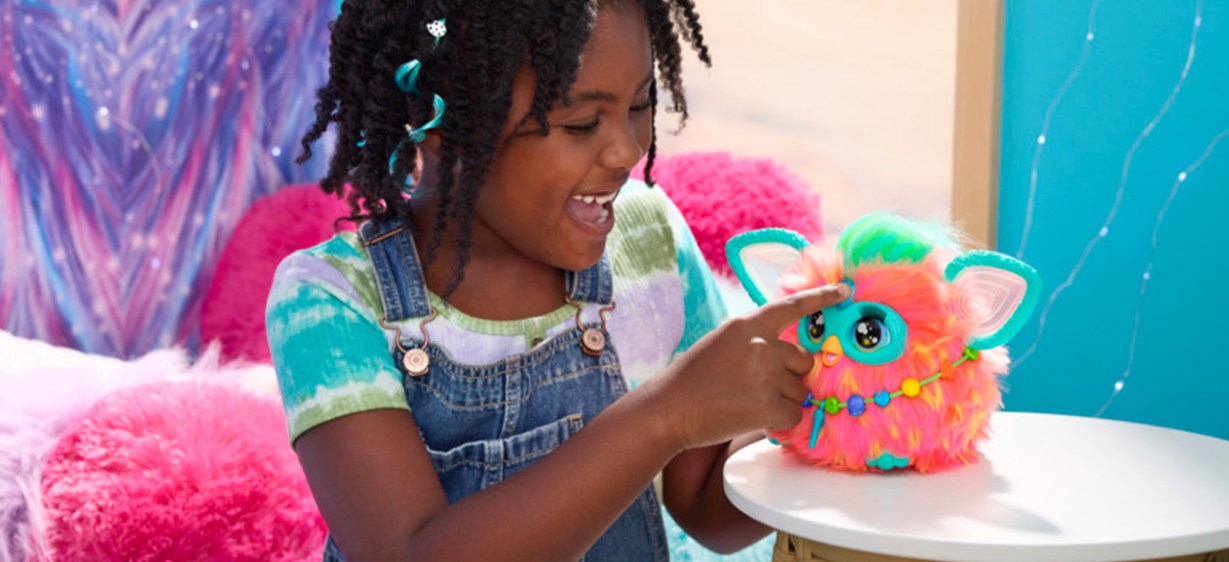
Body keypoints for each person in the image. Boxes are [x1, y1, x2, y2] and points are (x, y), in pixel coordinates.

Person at [266, 0, 849, 560]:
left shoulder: (649, 238)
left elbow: (705, 506)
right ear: (442, 124)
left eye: (640, 105)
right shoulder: (333, 303)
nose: (626, 149)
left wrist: (842, 412)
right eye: (582, 123)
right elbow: (409, 552)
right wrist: (667, 416)